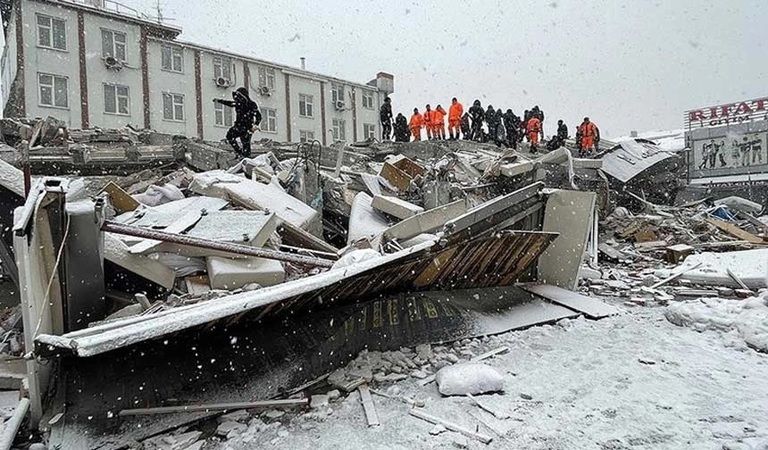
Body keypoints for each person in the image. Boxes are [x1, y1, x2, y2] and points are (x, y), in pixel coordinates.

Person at [213, 87, 261, 158]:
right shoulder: (238, 103)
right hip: (239, 126)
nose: (237, 98)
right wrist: (220, 101)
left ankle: (244, 157)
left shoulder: (251, 104)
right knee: (231, 137)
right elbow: (230, 103)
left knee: (245, 143)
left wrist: (255, 126)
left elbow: (259, 116)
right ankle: (241, 153)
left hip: (247, 127)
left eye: (239, 96)